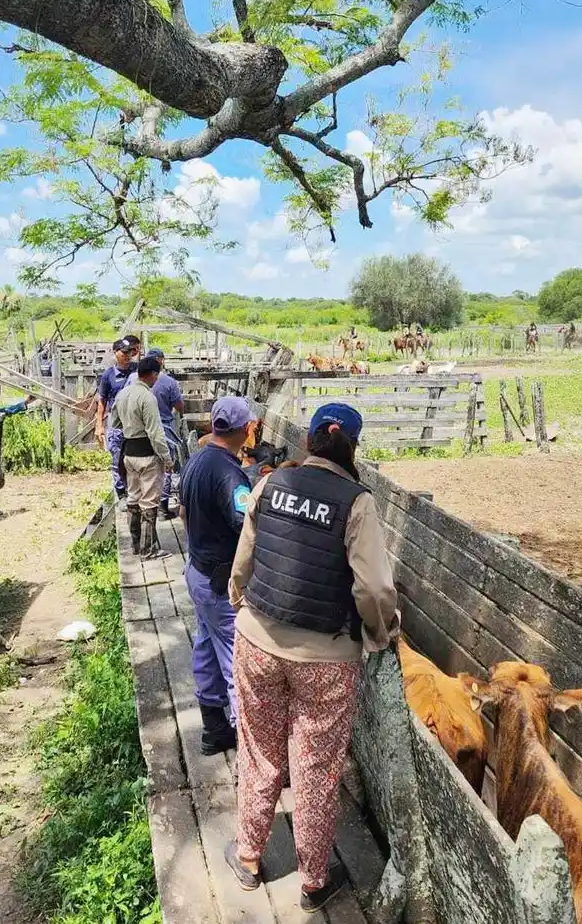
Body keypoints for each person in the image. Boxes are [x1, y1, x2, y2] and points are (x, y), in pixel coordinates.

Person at [224, 402, 399, 913]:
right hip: (325, 657)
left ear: (308, 443)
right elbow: (374, 589)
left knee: (258, 750)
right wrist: (378, 634)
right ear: (352, 449)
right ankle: (314, 881)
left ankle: (249, 857)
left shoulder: (270, 484)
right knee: (316, 767)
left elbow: (244, 560)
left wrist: (239, 602)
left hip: (257, 641)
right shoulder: (357, 503)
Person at [179, 397, 254, 756]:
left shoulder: (197, 460)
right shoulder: (229, 474)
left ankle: (214, 728)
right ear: (245, 430)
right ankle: (246, 746)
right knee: (236, 660)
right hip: (220, 583)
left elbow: (182, 512)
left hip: (198, 571)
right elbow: (247, 526)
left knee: (207, 647)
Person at [110, 356, 173, 556]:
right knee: (149, 501)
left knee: (133, 497)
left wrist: (131, 425)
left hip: (128, 453)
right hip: (147, 454)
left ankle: (136, 544)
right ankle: (149, 549)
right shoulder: (147, 397)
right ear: (153, 374)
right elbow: (155, 433)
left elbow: (115, 423)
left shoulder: (122, 394)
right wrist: (167, 458)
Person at [127, 348, 184, 519]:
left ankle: (136, 509)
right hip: (163, 428)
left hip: (135, 435)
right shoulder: (169, 382)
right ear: (161, 362)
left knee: (137, 476)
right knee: (165, 470)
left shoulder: (131, 380)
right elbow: (179, 405)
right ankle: (162, 508)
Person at [95, 338, 137, 503]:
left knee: (136, 458)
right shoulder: (108, 375)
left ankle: (135, 492)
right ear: (115, 353)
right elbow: (102, 401)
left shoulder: (137, 371)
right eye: (124, 352)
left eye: (130, 352)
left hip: (135, 422)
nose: (127, 356)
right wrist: (99, 425)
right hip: (117, 422)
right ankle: (121, 494)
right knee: (117, 459)